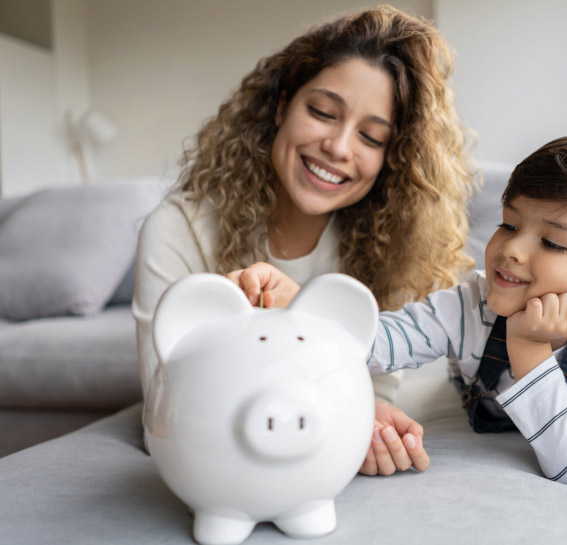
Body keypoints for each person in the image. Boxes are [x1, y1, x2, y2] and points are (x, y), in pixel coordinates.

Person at [229, 135, 567, 484]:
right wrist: (302, 309)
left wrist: (529, 350)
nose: (510, 249)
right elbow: (377, 344)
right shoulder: (470, 303)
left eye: (551, 242)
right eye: (508, 224)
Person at [133, 6, 474, 475]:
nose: (338, 147)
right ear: (282, 105)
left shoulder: (392, 249)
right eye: (321, 112)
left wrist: (369, 421)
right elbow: (164, 420)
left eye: (372, 138)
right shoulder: (177, 229)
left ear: (391, 159)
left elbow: (372, 395)